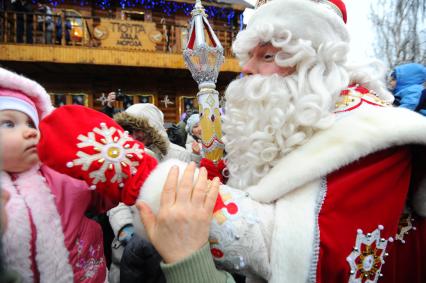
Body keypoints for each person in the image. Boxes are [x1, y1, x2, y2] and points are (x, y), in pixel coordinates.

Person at [130, 0, 426, 282]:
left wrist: (152, 183)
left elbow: (318, 262)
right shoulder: (288, 120)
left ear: (312, 64)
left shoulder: (373, 135)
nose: (245, 68)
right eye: (249, 56)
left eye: (267, 55)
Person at [0, 67, 117, 282]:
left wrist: (111, 167)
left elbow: (102, 195)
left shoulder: (59, 175)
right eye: (9, 123)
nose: (31, 131)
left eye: (31, 123)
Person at [107, 103, 192, 283]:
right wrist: (124, 228)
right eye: (129, 129)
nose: (134, 135)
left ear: (153, 129)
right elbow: (114, 198)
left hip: (169, 239)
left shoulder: (179, 155)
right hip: (129, 242)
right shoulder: (120, 154)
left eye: (140, 129)